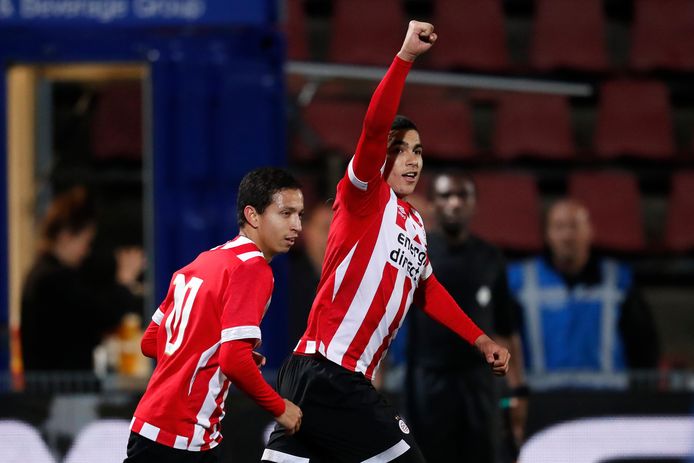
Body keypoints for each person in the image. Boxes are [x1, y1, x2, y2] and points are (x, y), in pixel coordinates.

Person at [262, 21, 510, 463]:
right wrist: (405, 57)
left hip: (318, 376)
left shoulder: (414, 224)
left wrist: (479, 340)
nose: (411, 159)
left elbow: (427, 290)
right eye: (400, 149)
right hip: (332, 372)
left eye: (418, 151)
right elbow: (375, 128)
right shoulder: (364, 195)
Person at [124, 167, 304, 463]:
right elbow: (234, 360)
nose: (297, 225)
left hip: (149, 427)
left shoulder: (203, 261)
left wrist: (212, 351)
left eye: (299, 215)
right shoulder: (253, 269)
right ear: (253, 216)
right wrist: (280, 407)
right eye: (286, 213)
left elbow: (151, 342)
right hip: (184, 436)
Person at [405, 171, 527, 463]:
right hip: (427, 383)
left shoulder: (491, 258)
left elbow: (506, 329)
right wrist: (376, 383)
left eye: (462, 195)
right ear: (432, 203)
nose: (455, 203)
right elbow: (385, 322)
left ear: (474, 203)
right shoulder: (414, 253)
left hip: (479, 384)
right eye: (446, 195)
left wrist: (517, 391)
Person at [507, 199, 660, 390]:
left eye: (575, 226)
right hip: (541, 397)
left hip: (608, 398)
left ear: (590, 232)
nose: (567, 236)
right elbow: (504, 341)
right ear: (547, 235)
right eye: (559, 227)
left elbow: (644, 346)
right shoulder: (518, 281)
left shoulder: (618, 280)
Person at [21, 186, 144, 372]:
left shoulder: (44, 274)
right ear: (66, 236)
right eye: (85, 242)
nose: (86, 251)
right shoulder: (53, 279)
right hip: (60, 384)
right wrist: (125, 280)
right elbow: (99, 314)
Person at [288, 202, 333, 347]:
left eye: (339, 229)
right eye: (326, 228)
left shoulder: (353, 280)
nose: (334, 236)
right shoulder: (286, 281)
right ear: (306, 231)